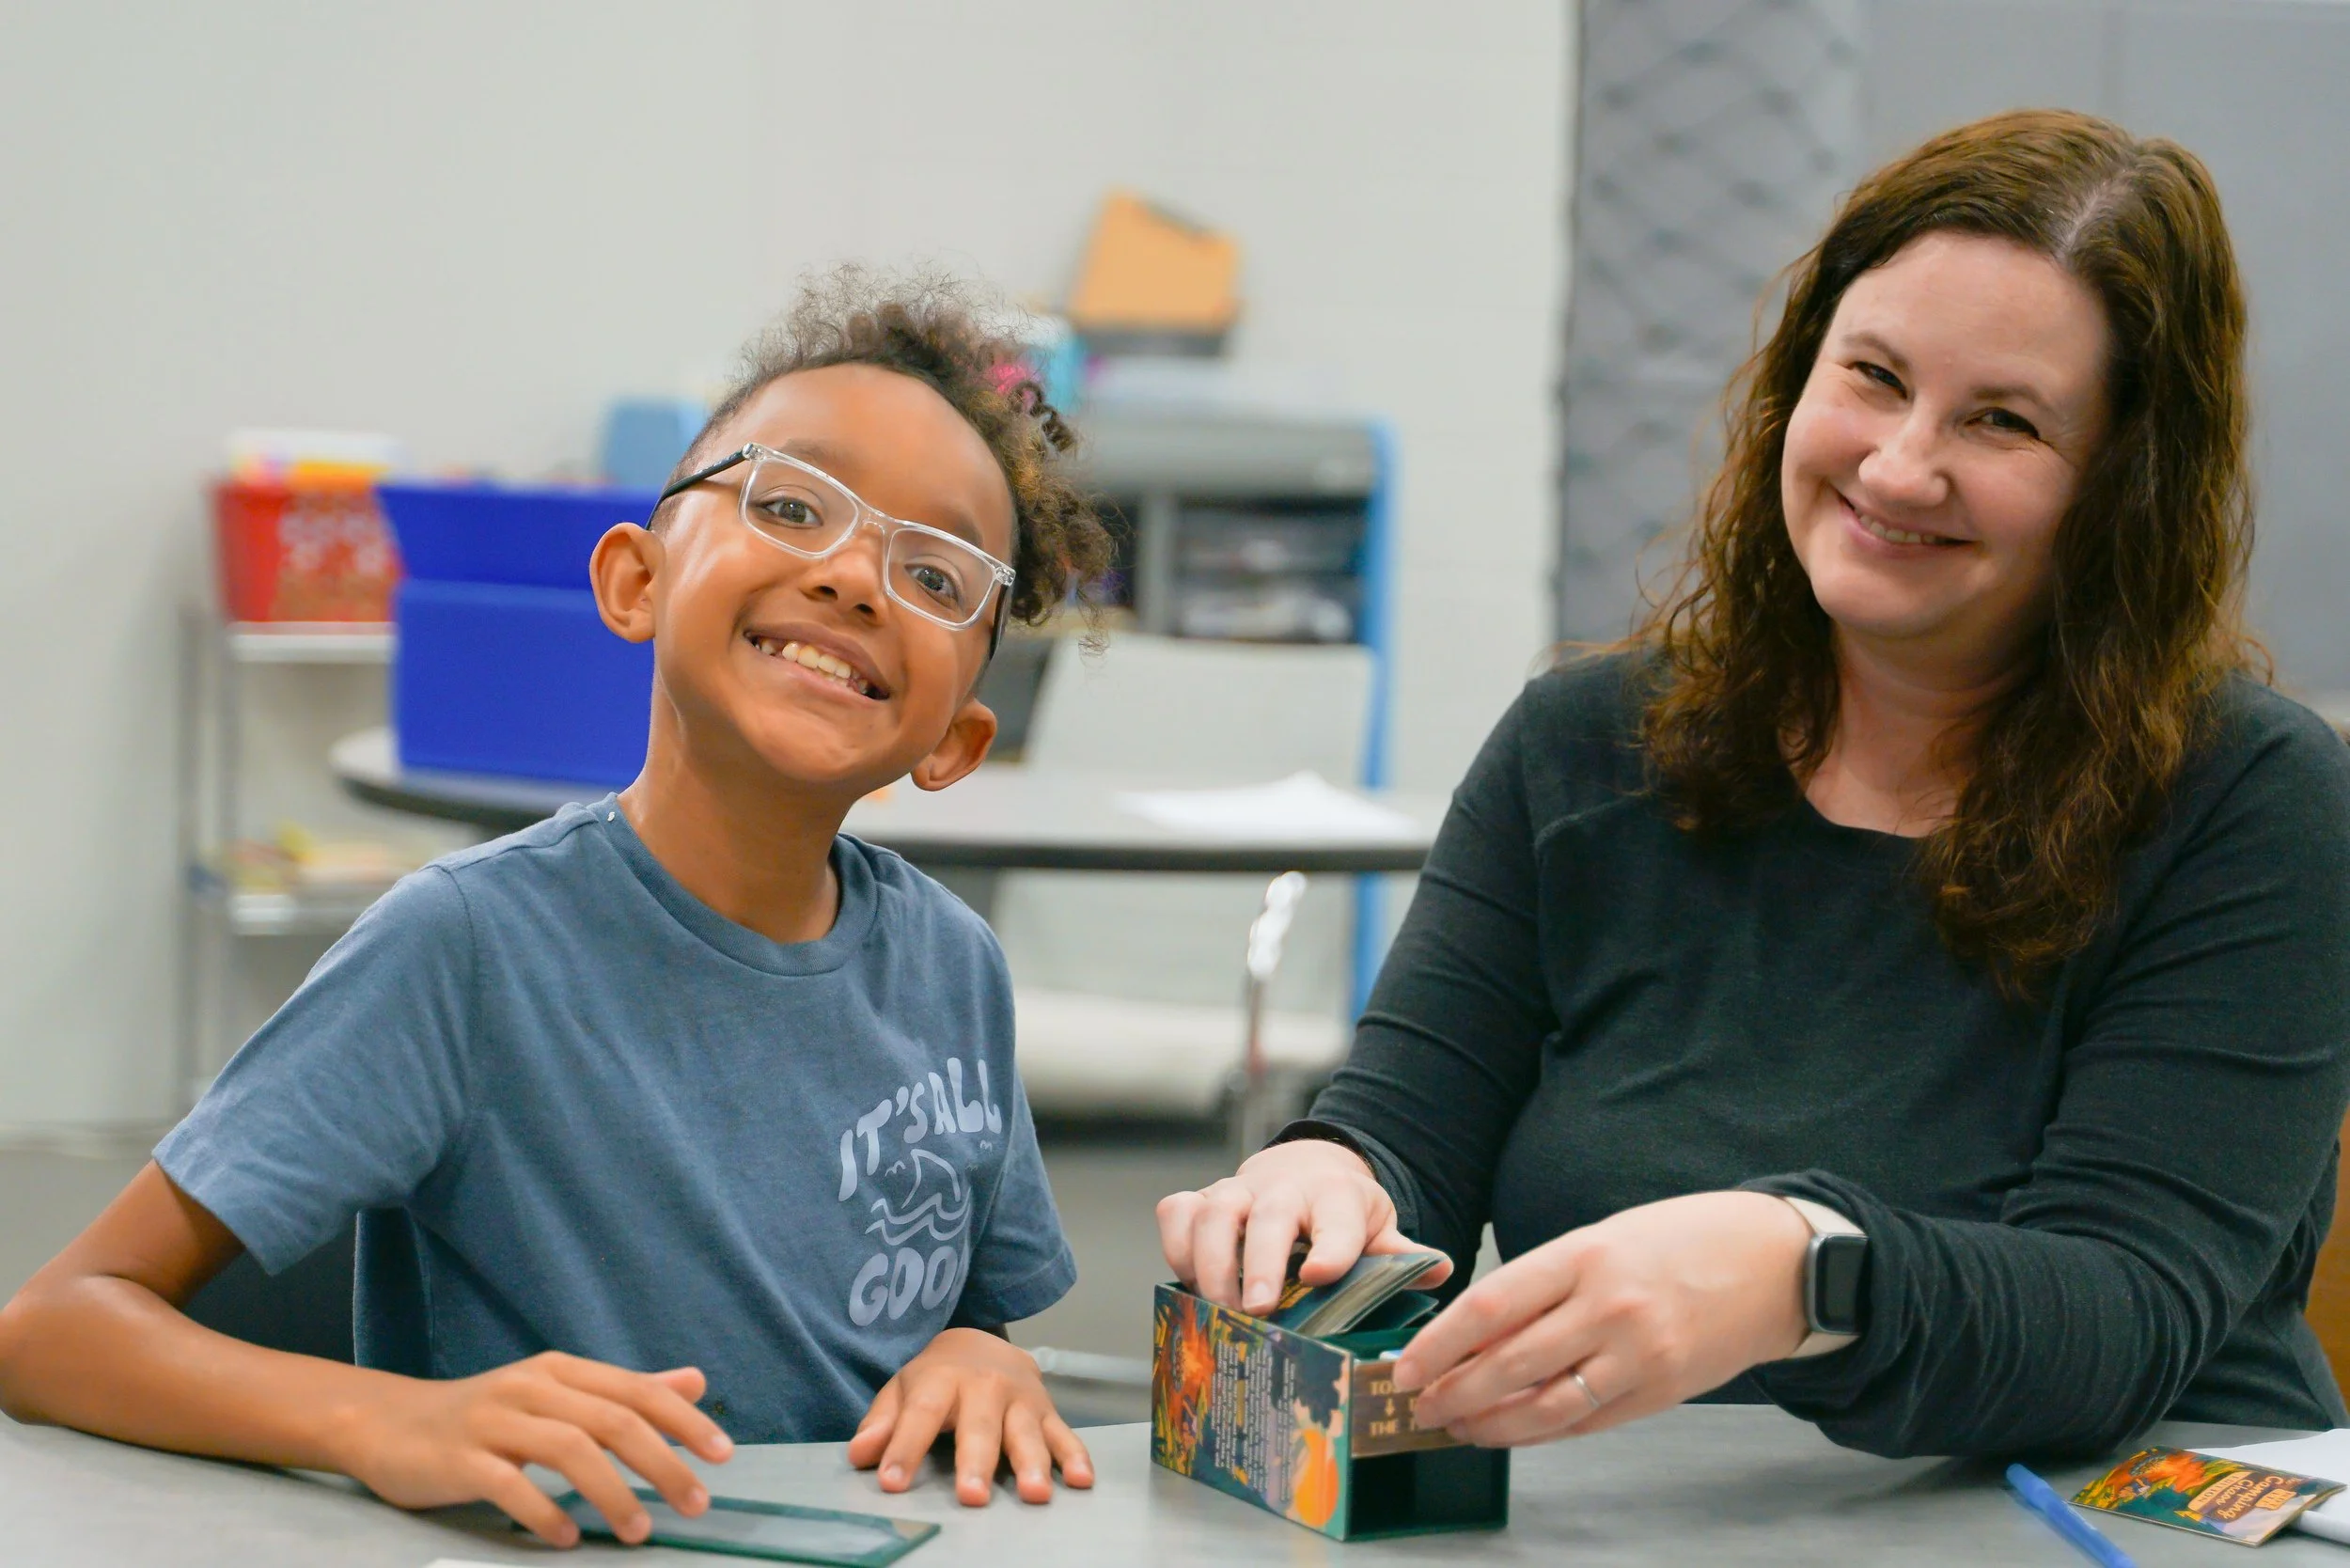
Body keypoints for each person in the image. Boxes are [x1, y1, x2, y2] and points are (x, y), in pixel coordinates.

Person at [1159, 109, 2350, 1460]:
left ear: (2124, 487)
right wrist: (1329, 1174)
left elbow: (2124, 1318)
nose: (1902, 466)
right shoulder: (1580, 746)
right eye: (1876, 378)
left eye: (2003, 420)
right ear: (1798, 379)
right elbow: (1405, 1134)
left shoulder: (2251, 798)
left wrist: (1804, 1273)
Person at [0, 274, 1116, 1544]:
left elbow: (969, 1308)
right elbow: (51, 1330)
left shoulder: (951, 967)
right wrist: (384, 1419)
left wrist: (985, 1356)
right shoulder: (468, 948)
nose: (858, 577)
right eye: (793, 504)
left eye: (936, 572)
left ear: (955, 742)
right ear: (635, 581)